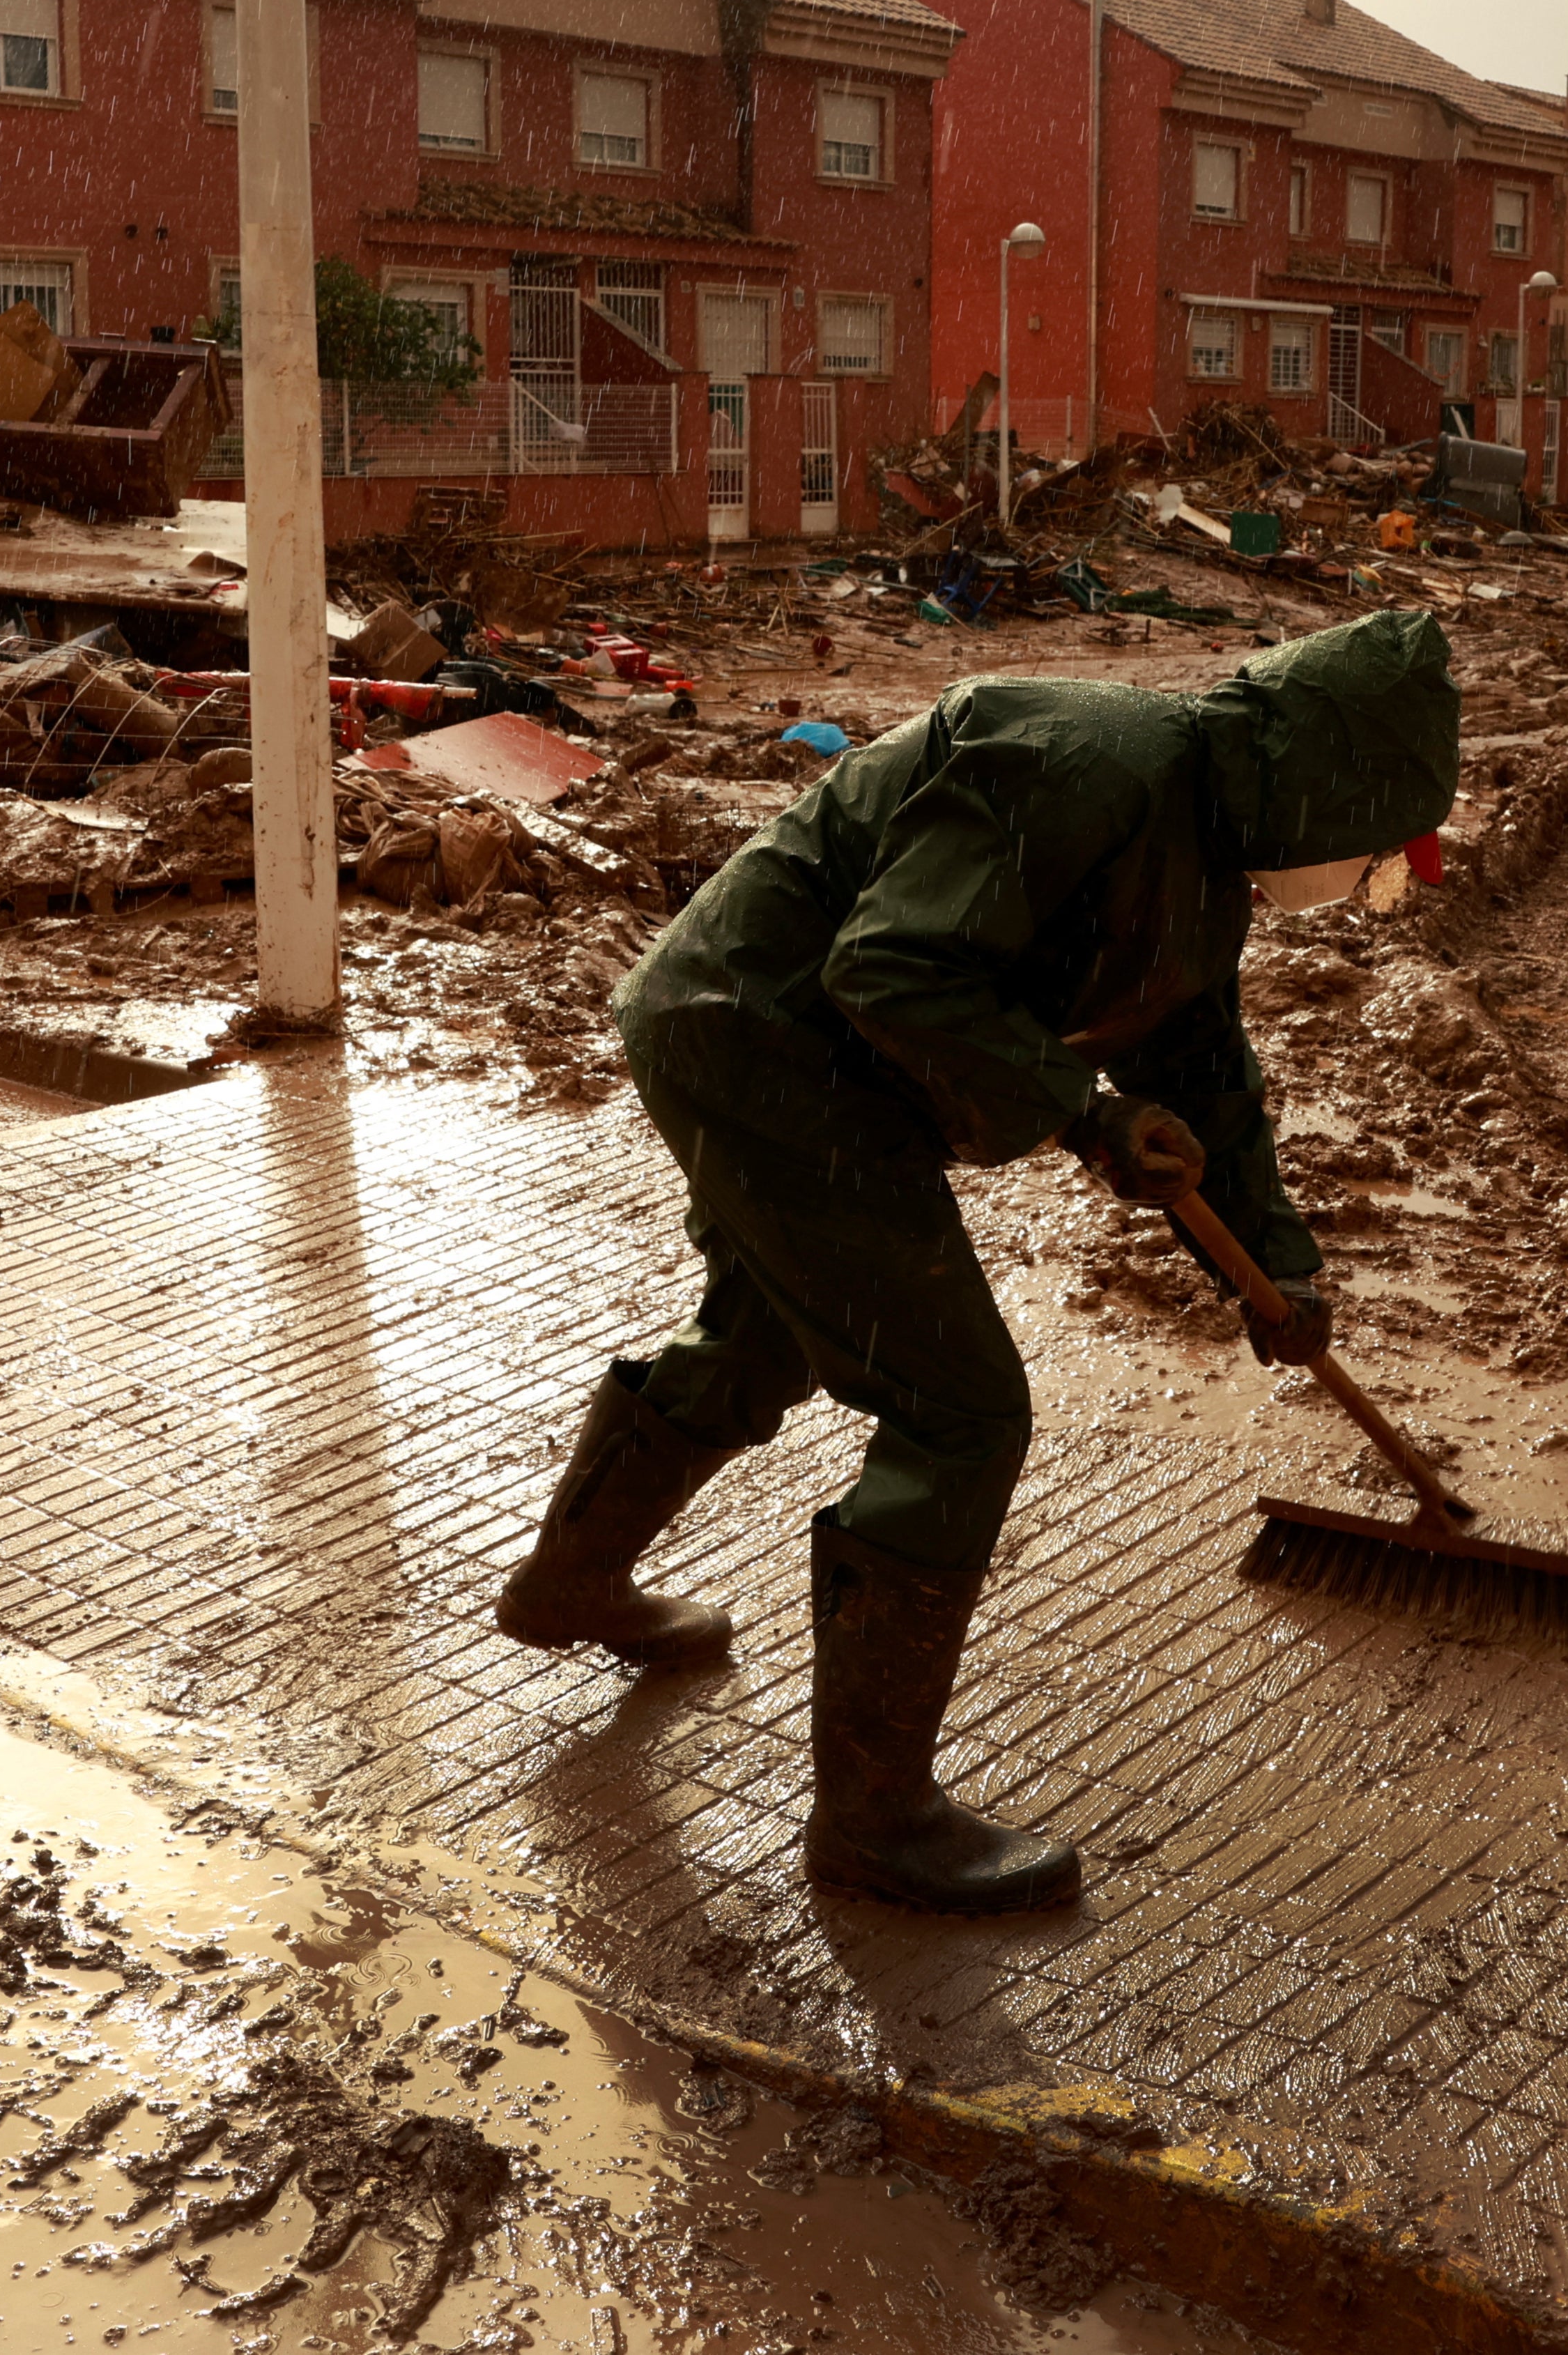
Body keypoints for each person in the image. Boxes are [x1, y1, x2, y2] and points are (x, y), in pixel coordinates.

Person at [495, 609, 1461, 1912]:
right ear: (1324, 787)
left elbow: (1202, 1081)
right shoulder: (1086, 759)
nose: (1349, 881)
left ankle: (569, 1582)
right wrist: (1084, 1111)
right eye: (1365, 854)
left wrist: (1276, 1269)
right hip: (763, 1039)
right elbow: (891, 965)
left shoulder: (1201, 855)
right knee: (959, 1412)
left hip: (817, 1061)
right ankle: (873, 1822)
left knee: (768, 1330)